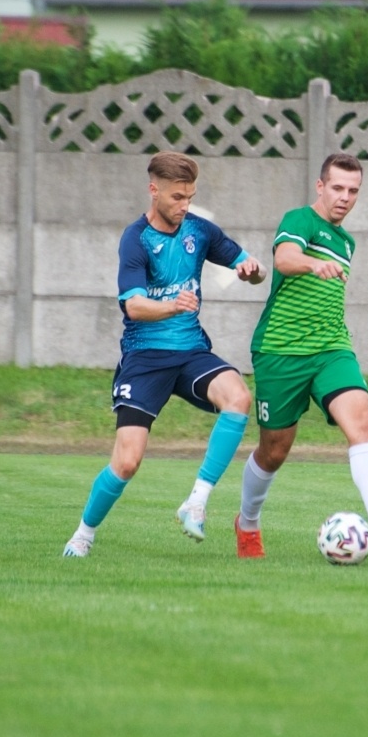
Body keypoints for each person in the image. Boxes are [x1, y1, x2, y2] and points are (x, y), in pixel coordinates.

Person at [63, 152, 266, 557]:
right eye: (177, 197)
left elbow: (252, 267)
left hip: (190, 352)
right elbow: (134, 306)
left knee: (239, 397)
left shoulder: (200, 231)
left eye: (190, 197)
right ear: (153, 190)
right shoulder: (135, 239)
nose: (184, 205)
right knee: (127, 462)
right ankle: (83, 534)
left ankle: (196, 502)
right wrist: (173, 305)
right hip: (144, 359)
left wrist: (253, 271)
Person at [234, 152, 368, 559]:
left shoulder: (347, 242)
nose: (345, 197)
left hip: (331, 348)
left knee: (362, 420)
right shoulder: (300, 220)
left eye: (353, 191)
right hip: (280, 350)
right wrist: (312, 264)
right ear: (320, 186)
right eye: (337, 188)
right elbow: (284, 258)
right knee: (274, 451)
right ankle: (247, 523)